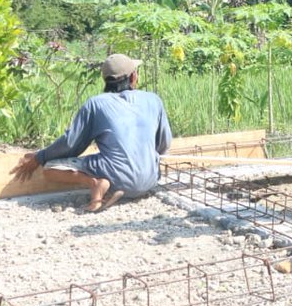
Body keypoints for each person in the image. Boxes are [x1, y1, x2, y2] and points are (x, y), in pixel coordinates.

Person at [10, 54, 173, 211]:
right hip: (151, 180)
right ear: (133, 77)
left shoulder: (96, 104)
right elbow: (164, 144)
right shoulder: (153, 99)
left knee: (51, 167)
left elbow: (71, 144)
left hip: (120, 180)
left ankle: (94, 182)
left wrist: (40, 157)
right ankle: (105, 186)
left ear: (106, 81)